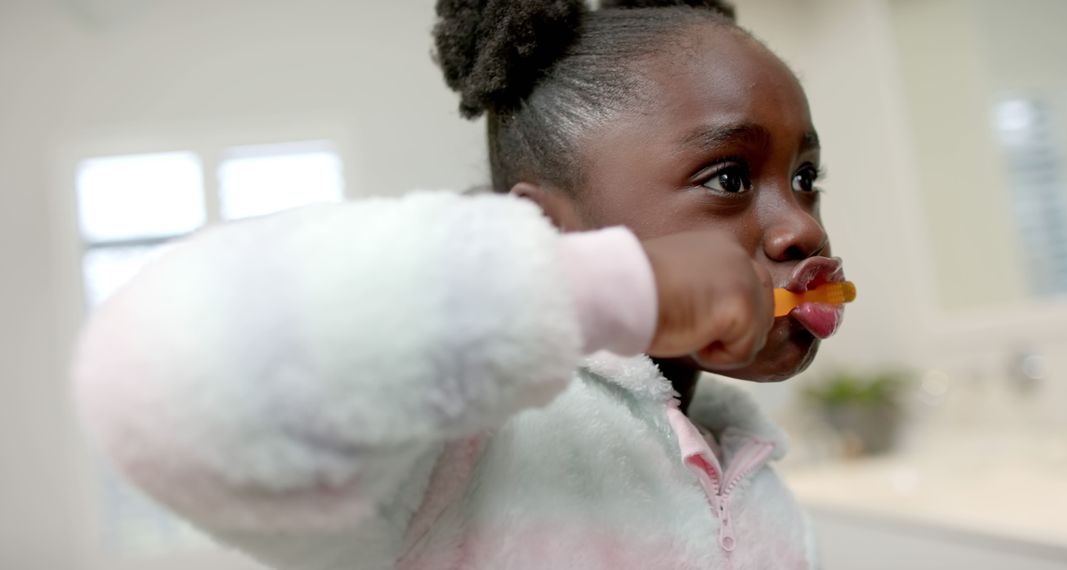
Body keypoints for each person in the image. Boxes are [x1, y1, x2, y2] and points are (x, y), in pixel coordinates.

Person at [74, 1, 845, 568]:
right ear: (549, 232)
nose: (801, 226)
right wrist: (611, 286)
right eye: (728, 176)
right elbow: (150, 374)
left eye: (805, 177)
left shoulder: (755, 479)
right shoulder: (467, 439)